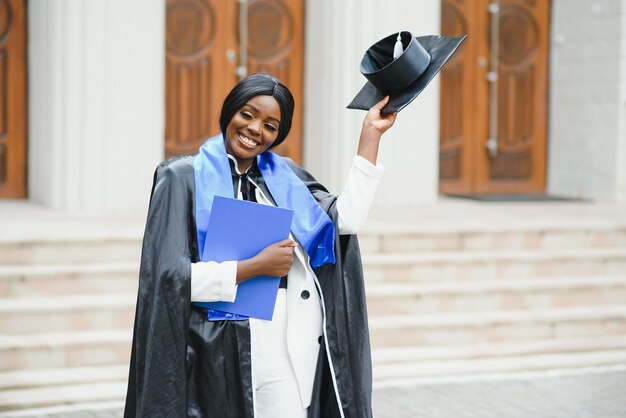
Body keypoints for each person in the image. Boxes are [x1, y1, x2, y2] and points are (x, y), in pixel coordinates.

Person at [124, 73, 397, 418]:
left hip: (286, 346)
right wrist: (252, 268)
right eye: (248, 114)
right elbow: (167, 279)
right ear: (230, 112)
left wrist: (370, 136)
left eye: (271, 125)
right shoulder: (182, 177)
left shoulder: (287, 180)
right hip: (214, 347)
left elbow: (345, 222)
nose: (255, 129)